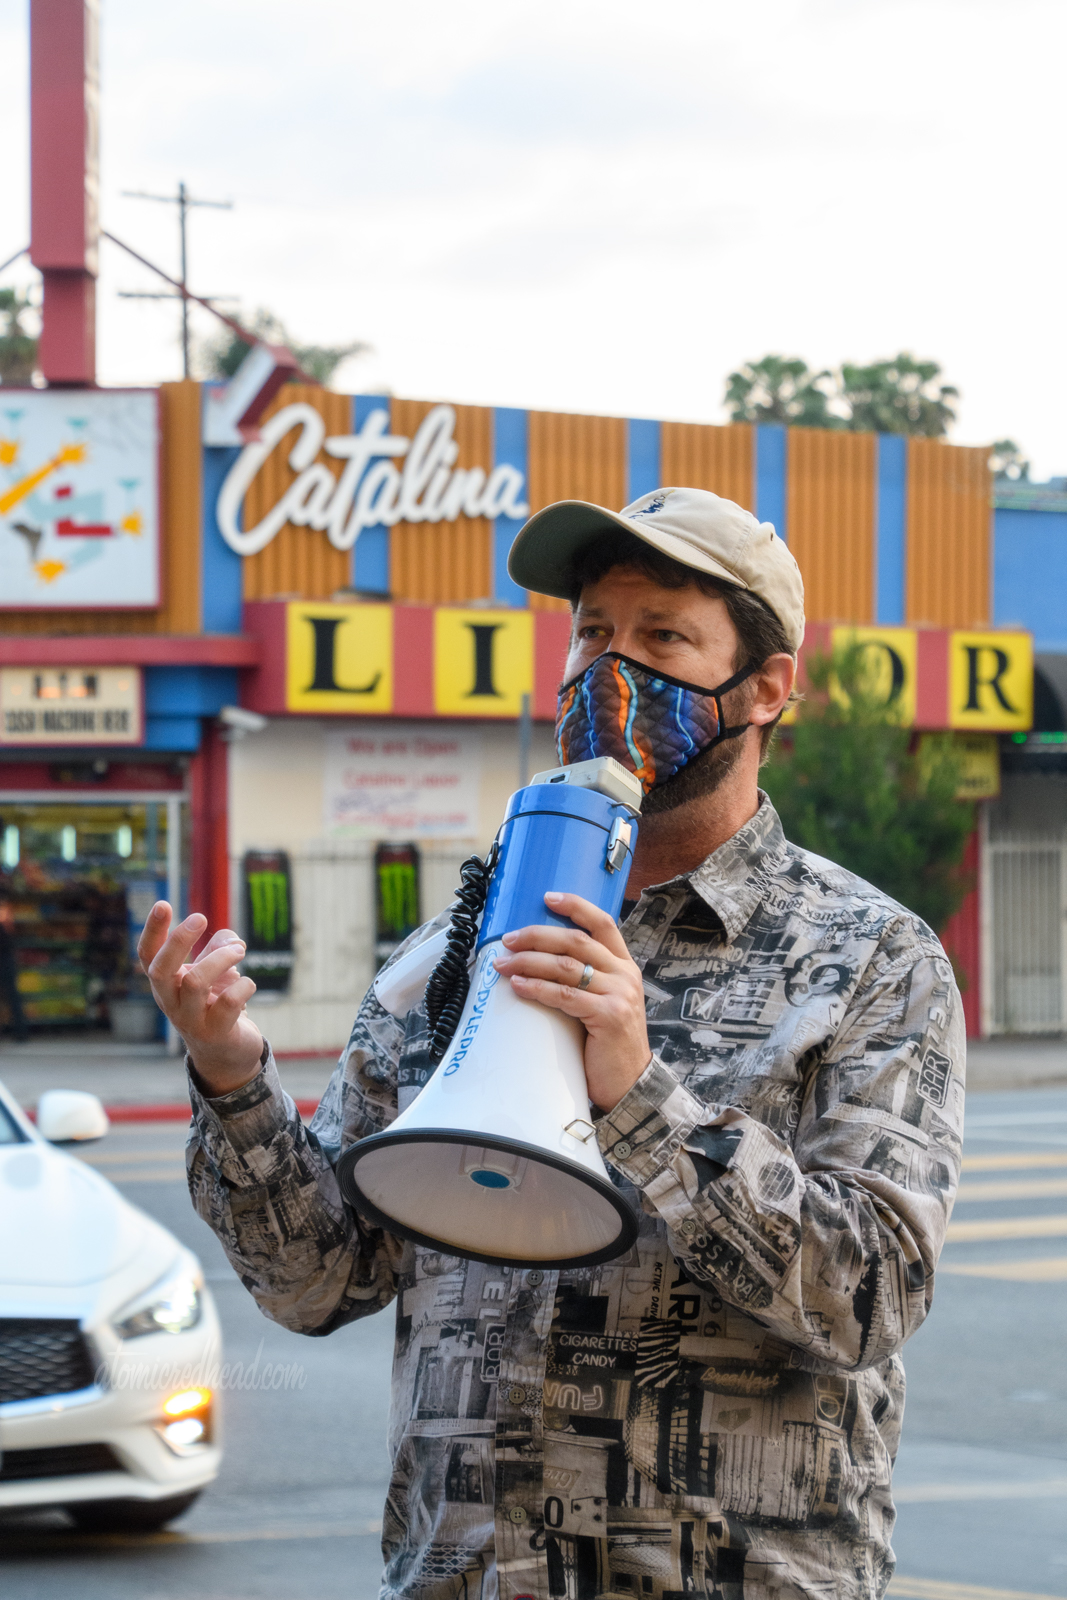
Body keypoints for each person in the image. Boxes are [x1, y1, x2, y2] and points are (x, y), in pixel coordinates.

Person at [139, 487, 964, 1600]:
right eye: (591, 632)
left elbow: (868, 1295)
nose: (607, 671)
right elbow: (316, 1278)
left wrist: (638, 1096)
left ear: (764, 689)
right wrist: (234, 1078)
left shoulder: (871, 959)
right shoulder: (453, 950)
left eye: (662, 636)